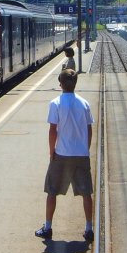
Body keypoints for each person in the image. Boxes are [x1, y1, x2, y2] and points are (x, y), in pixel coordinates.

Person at [35, 69, 95, 242]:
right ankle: (88, 229)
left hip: (61, 153)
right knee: (86, 193)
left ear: (60, 84)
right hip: (81, 154)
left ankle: (48, 227)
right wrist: (86, 148)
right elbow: (89, 129)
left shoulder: (55, 103)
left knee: (52, 191)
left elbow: (53, 129)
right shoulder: (84, 103)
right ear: (75, 83)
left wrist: (51, 150)